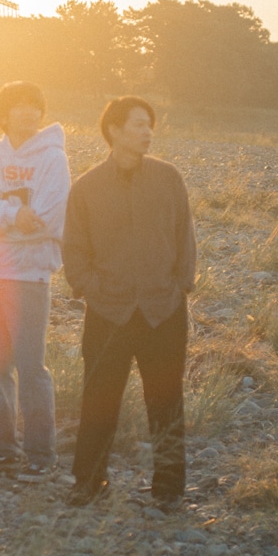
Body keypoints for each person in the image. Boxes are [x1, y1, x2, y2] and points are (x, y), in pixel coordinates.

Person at [61, 96, 196, 510]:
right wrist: (89, 288)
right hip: (108, 312)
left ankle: (169, 488)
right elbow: (74, 250)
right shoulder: (86, 188)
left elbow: (184, 236)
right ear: (114, 131)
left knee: (166, 400)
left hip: (163, 310)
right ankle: (89, 482)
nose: (147, 132)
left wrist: (180, 287)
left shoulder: (168, 178)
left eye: (150, 125)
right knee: (99, 400)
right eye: (138, 124)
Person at [0, 81, 71, 481]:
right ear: (3, 115)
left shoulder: (53, 160)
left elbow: (49, 217)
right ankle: (3, 447)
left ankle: (41, 454)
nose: (28, 112)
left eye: (34, 106)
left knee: (30, 365)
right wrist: (8, 213)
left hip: (30, 274)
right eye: (18, 106)